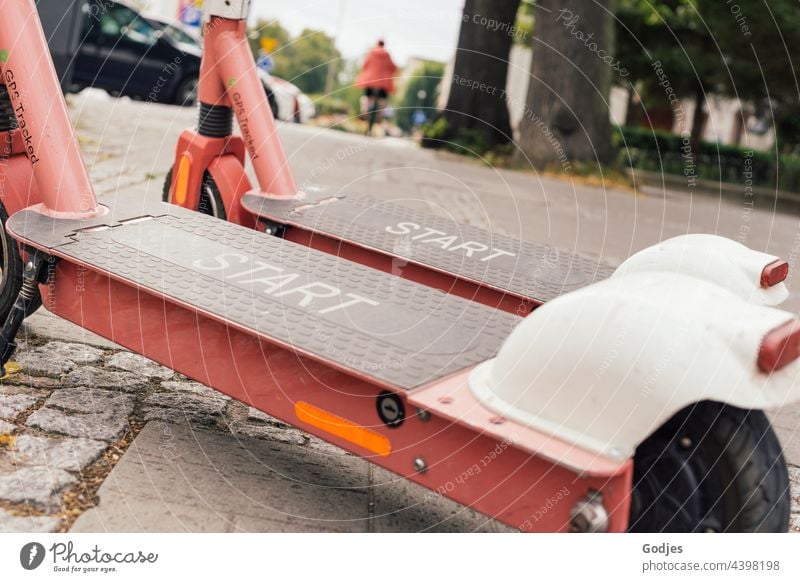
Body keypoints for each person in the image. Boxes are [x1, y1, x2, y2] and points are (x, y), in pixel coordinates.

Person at [355, 39, 397, 136]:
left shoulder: (371, 53)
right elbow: (394, 67)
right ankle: (380, 115)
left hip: (371, 81)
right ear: (384, 45)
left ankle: (364, 111)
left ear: (376, 44)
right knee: (383, 100)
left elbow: (364, 65)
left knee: (367, 97)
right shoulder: (387, 55)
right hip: (383, 84)